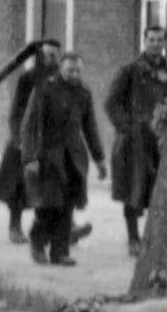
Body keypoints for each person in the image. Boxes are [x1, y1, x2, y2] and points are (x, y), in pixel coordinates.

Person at [20, 51, 107, 267]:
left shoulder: (83, 93)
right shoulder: (44, 90)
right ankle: (37, 243)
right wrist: (30, 158)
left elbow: (90, 127)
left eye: (78, 70)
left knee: (67, 206)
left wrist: (100, 158)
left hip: (74, 159)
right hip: (48, 156)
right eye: (70, 70)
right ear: (60, 68)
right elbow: (29, 125)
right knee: (50, 204)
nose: (75, 74)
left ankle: (60, 253)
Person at [105, 26, 167, 257]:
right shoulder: (131, 71)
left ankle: (153, 238)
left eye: (160, 40)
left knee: (158, 191)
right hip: (135, 142)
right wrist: (127, 127)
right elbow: (111, 102)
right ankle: (134, 239)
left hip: (161, 142)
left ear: (165, 43)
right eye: (151, 39)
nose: (155, 44)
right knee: (134, 189)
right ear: (144, 41)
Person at [0, 39, 61, 245]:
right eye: (47, 54)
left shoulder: (62, 78)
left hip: (51, 138)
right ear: (40, 56)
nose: (51, 58)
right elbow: (16, 110)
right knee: (18, 184)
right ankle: (15, 227)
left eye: (54, 54)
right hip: (27, 136)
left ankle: (63, 228)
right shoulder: (28, 77)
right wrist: (18, 139)